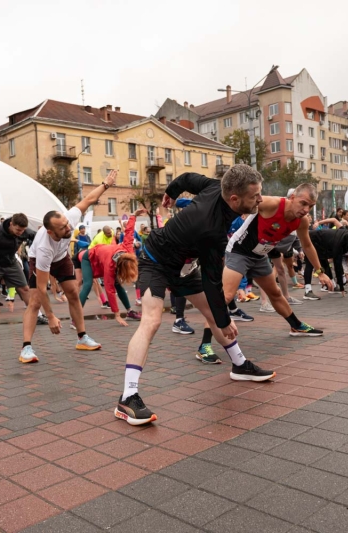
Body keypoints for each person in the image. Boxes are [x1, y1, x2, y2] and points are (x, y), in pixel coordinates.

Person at [115, 166, 276, 426]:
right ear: (234, 199)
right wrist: (224, 321)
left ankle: (239, 365)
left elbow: (187, 178)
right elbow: (214, 284)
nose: (260, 199)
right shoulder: (210, 229)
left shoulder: (216, 186)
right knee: (152, 321)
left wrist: (171, 192)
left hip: (184, 268)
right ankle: (128, 397)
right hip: (155, 264)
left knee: (213, 312)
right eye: (255, 196)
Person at [19, 170, 117, 363]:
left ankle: (82, 337)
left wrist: (105, 184)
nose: (68, 228)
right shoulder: (44, 248)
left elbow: (88, 199)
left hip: (61, 257)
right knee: (35, 301)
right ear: (50, 231)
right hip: (41, 261)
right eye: (62, 228)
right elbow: (41, 288)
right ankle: (26, 348)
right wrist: (51, 316)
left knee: (73, 292)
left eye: (66, 224)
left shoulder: (68, 219)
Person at [222, 185, 330, 345]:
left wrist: (320, 272)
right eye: (303, 203)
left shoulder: (301, 221)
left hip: (259, 256)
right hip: (239, 251)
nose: (306, 209)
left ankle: (296, 326)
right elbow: (235, 203)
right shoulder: (270, 203)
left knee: (275, 294)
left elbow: (307, 245)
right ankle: (204, 345)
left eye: (311, 206)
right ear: (292, 197)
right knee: (226, 297)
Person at [78, 209, 145, 326]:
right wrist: (117, 315)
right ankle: (76, 317)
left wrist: (133, 215)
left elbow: (129, 231)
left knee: (118, 284)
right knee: (88, 285)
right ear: (120, 268)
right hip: (87, 258)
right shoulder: (110, 267)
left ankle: (130, 312)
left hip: (102, 256)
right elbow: (110, 291)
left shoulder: (127, 249)